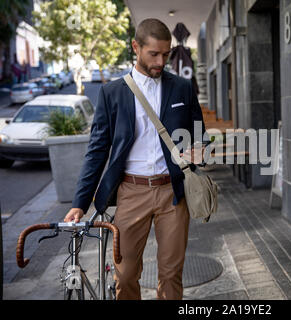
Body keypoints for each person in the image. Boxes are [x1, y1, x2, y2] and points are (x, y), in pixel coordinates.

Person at [63, 18, 208, 300]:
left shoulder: (182, 87)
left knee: (171, 274)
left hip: (172, 193)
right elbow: (97, 151)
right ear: (136, 47)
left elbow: (198, 134)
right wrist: (79, 204)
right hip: (131, 193)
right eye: (153, 54)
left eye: (165, 55)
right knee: (126, 274)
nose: (160, 61)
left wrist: (199, 150)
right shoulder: (112, 93)